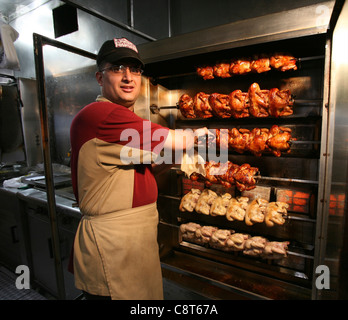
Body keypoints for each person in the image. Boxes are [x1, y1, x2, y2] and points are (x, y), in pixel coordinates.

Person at [70, 37, 208, 300]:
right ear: (100, 77)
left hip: (135, 245)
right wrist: (204, 134)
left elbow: (138, 173)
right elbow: (180, 140)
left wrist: (170, 161)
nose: (128, 77)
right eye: (117, 68)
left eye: (134, 70)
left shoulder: (125, 121)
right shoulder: (102, 115)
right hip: (113, 250)